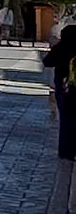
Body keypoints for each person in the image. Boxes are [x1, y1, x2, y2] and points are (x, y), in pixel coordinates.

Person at [44, 25, 76, 159]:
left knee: (65, 119)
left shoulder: (61, 47)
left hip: (64, 86)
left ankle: (65, 151)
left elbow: (47, 61)